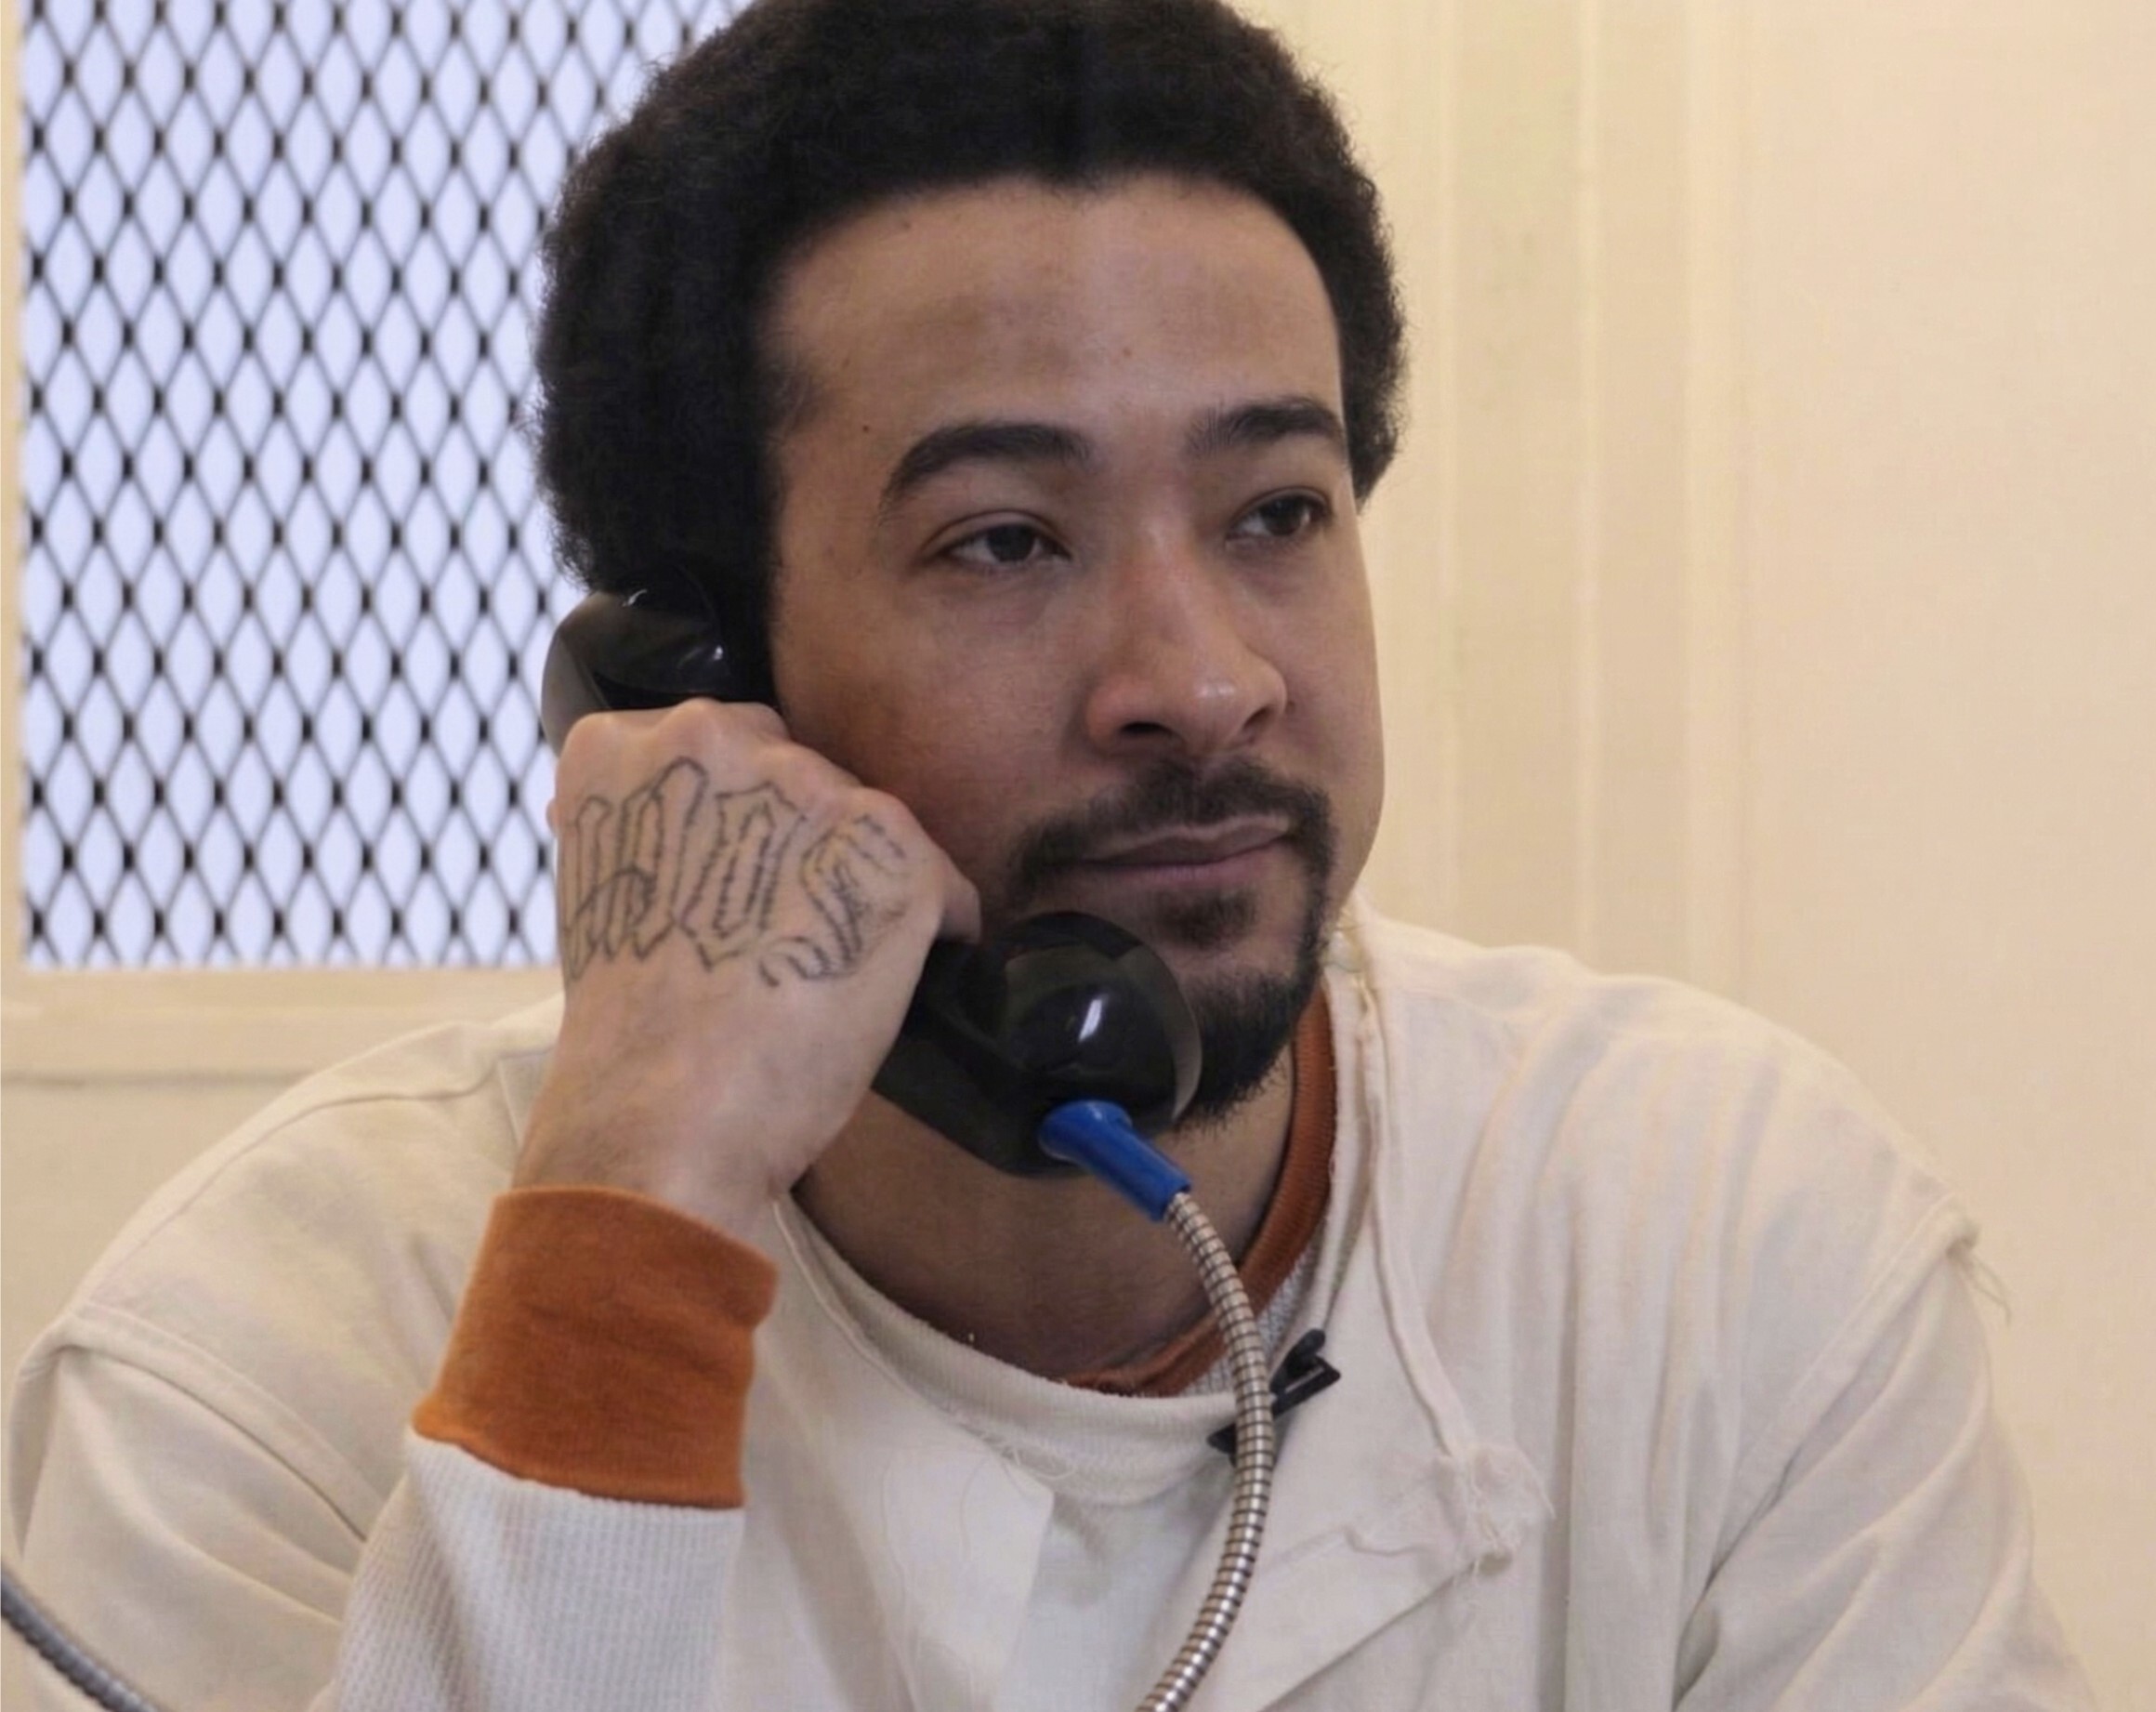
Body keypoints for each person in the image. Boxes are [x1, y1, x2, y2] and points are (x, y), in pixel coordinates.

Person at [7, 0, 2095, 1706]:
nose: (1201, 682)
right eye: (1005, 540)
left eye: (1275, 512)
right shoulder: (259, 1363)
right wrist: (633, 1212)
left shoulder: (1718, 1246)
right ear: (706, 677)